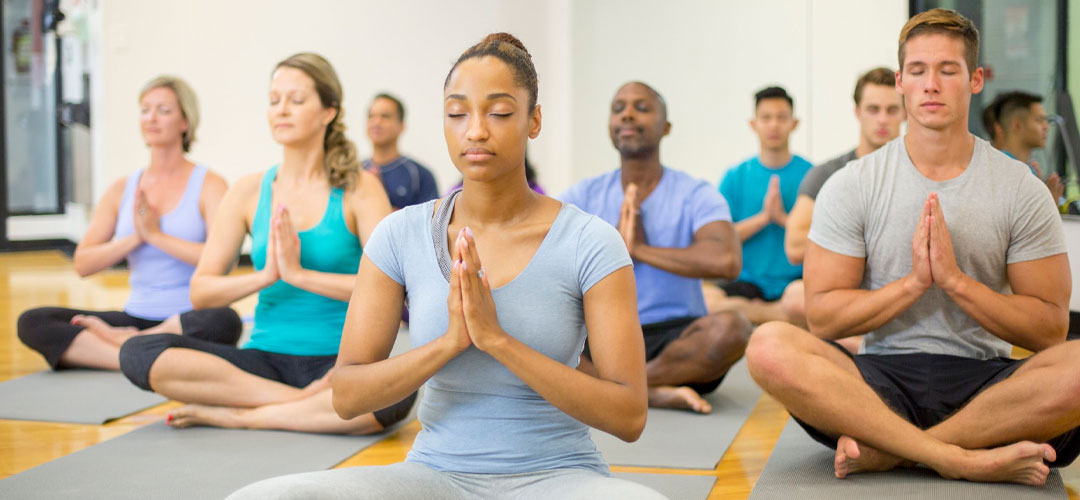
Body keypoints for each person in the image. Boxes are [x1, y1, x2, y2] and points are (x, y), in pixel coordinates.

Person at [228, 33, 667, 500]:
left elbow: (628, 415)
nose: (475, 130)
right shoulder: (400, 235)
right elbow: (348, 395)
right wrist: (450, 343)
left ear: (533, 120)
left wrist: (497, 340)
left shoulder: (590, 241)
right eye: (457, 113)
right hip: (434, 479)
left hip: (559, 478)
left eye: (498, 112)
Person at [745, 9, 1076, 486]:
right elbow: (823, 317)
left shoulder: (1018, 188)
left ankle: (894, 451)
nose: (931, 85)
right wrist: (915, 284)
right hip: (877, 383)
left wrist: (957, 284)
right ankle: (961, 458)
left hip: (986, 383)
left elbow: (1049, 328)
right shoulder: (852, 185)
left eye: (948, 70)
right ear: (901, 82)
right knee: (769, 345)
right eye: (918, 71)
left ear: (975, 79)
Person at [118, 53, 414, 435]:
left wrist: (299, 275)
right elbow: (202, 292)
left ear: (328, 111)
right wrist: (268, 275)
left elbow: (391, 289)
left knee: (398, 392)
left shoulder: (360, 189)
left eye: (296, 100)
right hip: (262, 361)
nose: (281, 110)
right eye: (274, 100)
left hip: (339, 363)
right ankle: (302, 406)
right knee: (139, 352)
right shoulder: (248, 191)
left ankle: (242, 415)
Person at [17, 76, 240, 371]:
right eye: (145, 109)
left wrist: (157, 236)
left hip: (188, 317)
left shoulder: (210, 184)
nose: (151, 118)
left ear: (185, 121)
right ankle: (131, 356)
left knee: (224, 320)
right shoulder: (122, 189)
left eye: (163, 110)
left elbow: (224, 263)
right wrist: (135, 238)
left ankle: (127, 345)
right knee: (33, 321)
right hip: (134, 315)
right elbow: (83, 263)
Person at [561, 81, 749, 414]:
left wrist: (641, 249)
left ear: (666, 127)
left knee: (733, 329)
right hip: (603, 335)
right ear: (610, 125)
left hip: (676, 338)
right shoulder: (582, 196)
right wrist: (612, 251)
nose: (628, 115)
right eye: (618, 108)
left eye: (642, 108)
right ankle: (652, 391)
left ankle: (626, 390)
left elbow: (727, 260)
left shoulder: (695, 193)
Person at [783, 67, 906, 351]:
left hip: (904, 293)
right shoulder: (827, 174)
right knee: (793, 297)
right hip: (850, 295)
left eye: (892, 109)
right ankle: (871, 349)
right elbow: (794, 245)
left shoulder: (921, 171)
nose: (883, 119)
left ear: (905, 113)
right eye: (873, 109)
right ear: (857, 112)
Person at [704, 86, 812, 326]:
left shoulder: (811, 175)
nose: (774, 125)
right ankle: (777, 313)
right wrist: (763, 218)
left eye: (781, 118)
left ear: (794, 123)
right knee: (704, 300)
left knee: (806, 301)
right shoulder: (735, 176)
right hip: (746, 283)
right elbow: (718, 240)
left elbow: (822, 239)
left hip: (795, 282)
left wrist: (784, 219)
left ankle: (755, 311)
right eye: (766, 118)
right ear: (754, 124)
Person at [363, 93, 440, 209]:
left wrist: (379, 194)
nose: (376, 122)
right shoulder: (354, 172)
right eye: (371, 116)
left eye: (385, 116)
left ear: (401, 126)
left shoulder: (419, 175)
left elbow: (428, 222)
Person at [989, 90, 1064, 203]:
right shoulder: (1005, 172)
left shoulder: (1025, 170)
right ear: (1017, 124)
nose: (1046, 127)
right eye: (1039, 120)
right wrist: (1049, 201)